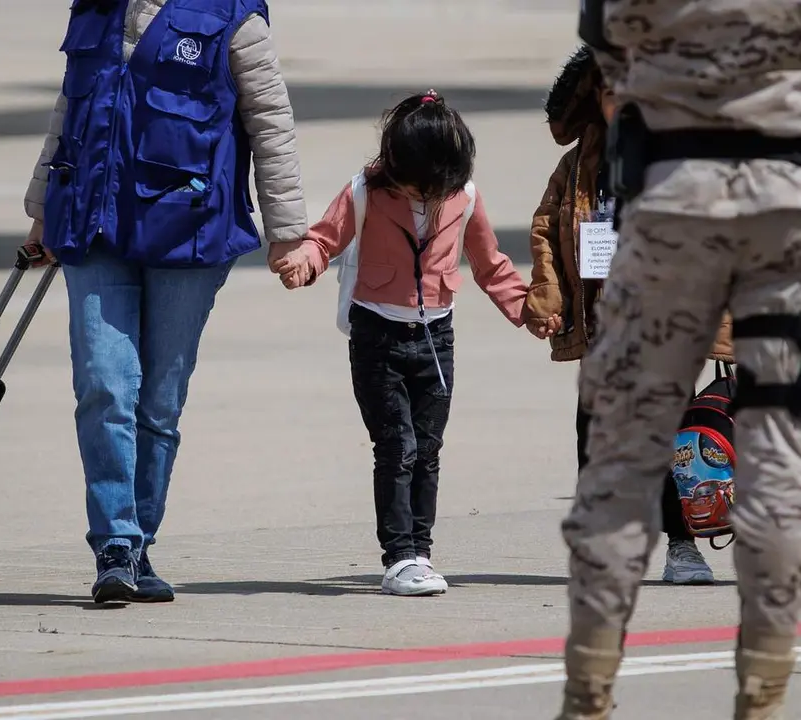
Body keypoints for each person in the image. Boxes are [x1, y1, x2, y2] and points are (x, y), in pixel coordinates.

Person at [555, 2, 801, 718]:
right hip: (784, 208)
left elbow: (603, 37)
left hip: (673, 200)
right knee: (777, 455)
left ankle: (589, 691)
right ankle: (762, 696)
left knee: (624, 456)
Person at [22, 0, 309, 604]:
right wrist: (43, 209)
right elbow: (69, 110)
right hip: (94, 227)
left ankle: (140, 540)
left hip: (189, 232)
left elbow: (271, 123)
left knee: (159, 399)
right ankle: (116, 544)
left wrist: (288, 232)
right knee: (104, 383)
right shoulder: (96, 11)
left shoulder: (235, 20)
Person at [276, 91, 532, 596]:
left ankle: (420, 552)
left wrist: (527, 309)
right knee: (397, 445)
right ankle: (398, 558)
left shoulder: (465, 197)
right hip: (378, 335)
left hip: (437, 337)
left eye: (438, 187)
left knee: (429, 449)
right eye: (418, 186)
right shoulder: (364, 192)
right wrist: (304, 262)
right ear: (394, 166)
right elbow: (324, 239)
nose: (427, 197)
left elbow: (490, 263)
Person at [523, 45, 736, 586]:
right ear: (598, 98)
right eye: (615, 94)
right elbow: (547, 229)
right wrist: (548, 296)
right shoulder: (577, 168)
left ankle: (682, 548)